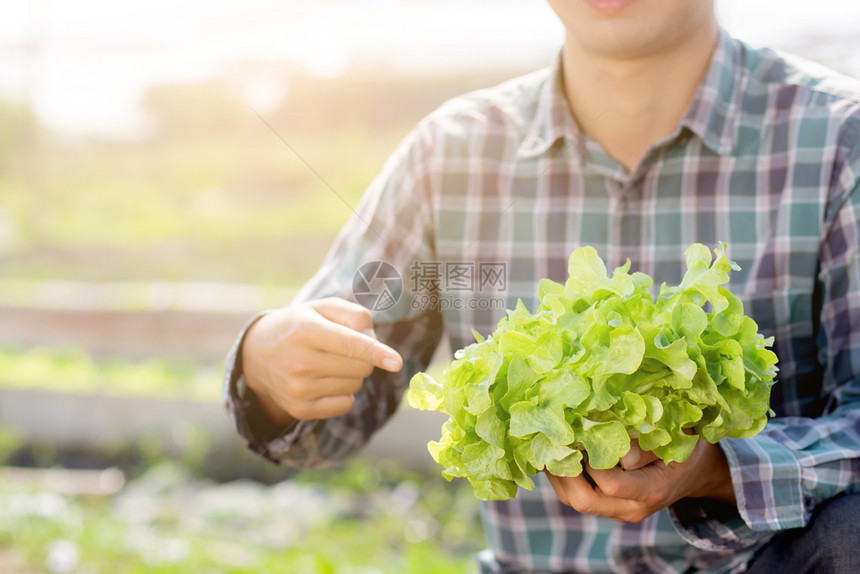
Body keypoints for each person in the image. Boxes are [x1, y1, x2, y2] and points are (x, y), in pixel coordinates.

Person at [223, 0, 860, 571]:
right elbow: (329, 398)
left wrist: (720, 471)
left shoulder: (836, 139)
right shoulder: (452, 153)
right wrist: (270, 366)